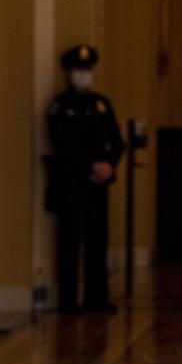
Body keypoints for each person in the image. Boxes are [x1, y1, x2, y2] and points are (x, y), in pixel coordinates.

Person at [47, 44, 124, 314]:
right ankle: (68, 300)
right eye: (79, 70)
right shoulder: (60, 106)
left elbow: (116, 141)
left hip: (97, 185)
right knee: (69, 242)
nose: (84, 74)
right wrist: (91, 165)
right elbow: (63, 143)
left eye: (87, 70)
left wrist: (109, 166)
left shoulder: (101, 105)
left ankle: (96, 297)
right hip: (71, 183)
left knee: (97, 241)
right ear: (69, 72)